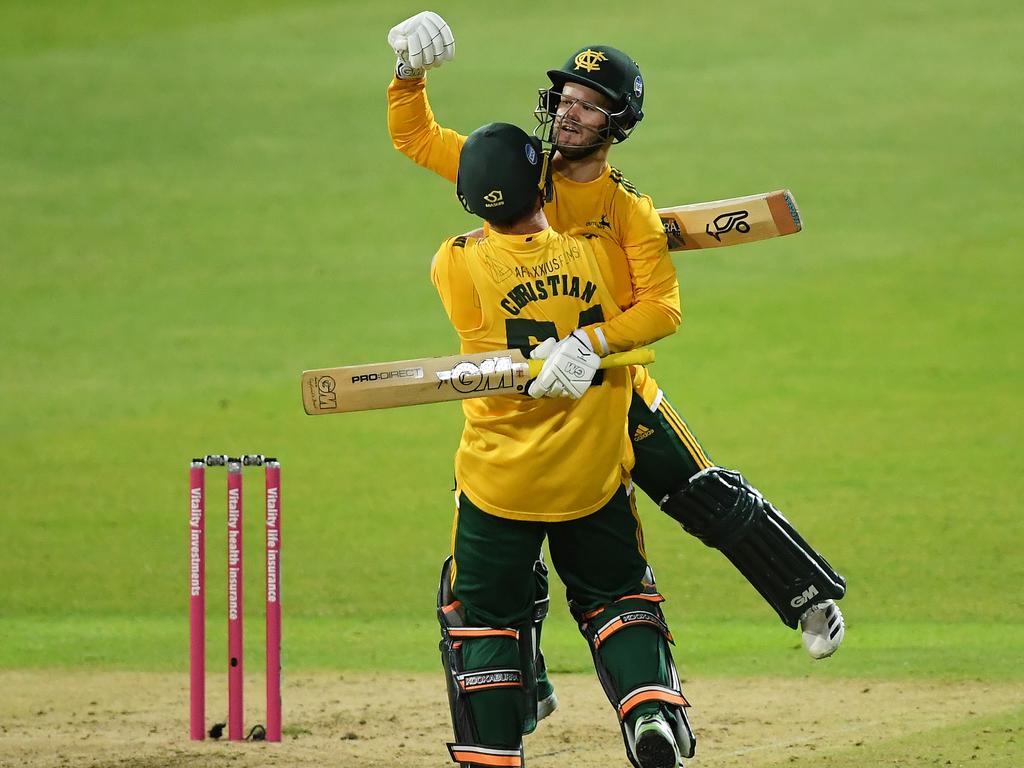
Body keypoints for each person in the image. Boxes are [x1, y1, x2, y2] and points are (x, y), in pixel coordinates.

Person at [386, 8, 846, 708]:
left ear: (617, 122)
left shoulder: (627, 211)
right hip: (522, 398)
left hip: (612, 387)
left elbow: (663, 309)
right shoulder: (515, 171)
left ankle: (808, 595)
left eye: (589, 105)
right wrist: (407, 71)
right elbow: (414, 135)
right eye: (566, 98)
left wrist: (591, 343)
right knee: (502, 542)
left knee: (705, 495)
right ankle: (527, 683)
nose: (570, 114)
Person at [432, 120, 693, 768]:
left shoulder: (455, 265)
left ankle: (495, 752)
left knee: (483, 616)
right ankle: (649, 710)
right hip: (591, 472)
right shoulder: (595, 256)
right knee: (617, 596)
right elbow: (650, 305)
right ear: (542, 186)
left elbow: (468, 235)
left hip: (500, 484)